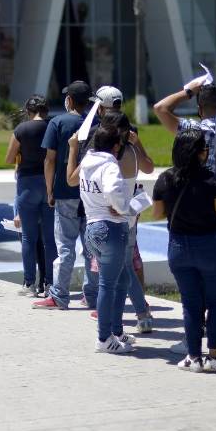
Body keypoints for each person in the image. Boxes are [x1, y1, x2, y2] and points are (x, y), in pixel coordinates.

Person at [155, 79, 216, 353]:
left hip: (197, 216)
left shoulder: (191, 131)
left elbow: (161, 108)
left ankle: (195, 336)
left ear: (200, 109)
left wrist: (189, 90)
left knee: (196, 280)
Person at [153, 129, 216, 372]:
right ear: (199, 153)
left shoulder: (165, 179)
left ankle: (193, 357)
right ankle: (215, 357)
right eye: (205, 149)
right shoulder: (211, 180)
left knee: (190, 303)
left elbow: (158, 213)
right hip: (208, 246)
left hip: (178, 246)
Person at [65, 107, 155, 331]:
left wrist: (74, 149)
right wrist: (138, 143)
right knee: (124, 270)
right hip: (128, 216)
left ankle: (122, 320)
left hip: (110, 219)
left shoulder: (101, 158)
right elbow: (149, 167)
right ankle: (137, 314)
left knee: (118, 275)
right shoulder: (131, 152)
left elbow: (72, 180)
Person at [33, 81, 97, 311]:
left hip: (65, 191)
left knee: (66, 246)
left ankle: (59, 294)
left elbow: (49, 160)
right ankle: (92, 295)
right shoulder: (97, 123)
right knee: (91, 247)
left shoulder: (58, 122)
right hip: (91, 193)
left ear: (69, 100)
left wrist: (49, 189)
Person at [77, 125, 135, 353]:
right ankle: (103, 338)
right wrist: (122, 207)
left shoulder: (87, 162)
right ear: (116, 146)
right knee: (108, 284)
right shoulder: (109, 164)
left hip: (92, 227)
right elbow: (112, 190)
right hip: (110, 228)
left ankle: (116, 331)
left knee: (122, 280)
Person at [5, 95, 55, 297]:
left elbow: (9, 158)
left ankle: (29, 283)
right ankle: (50, 283)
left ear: (28, 111)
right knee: (49, 238)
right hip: (49, 182)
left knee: (28, 236)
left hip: (27, 184)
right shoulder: (53, 126)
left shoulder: (21, 129)